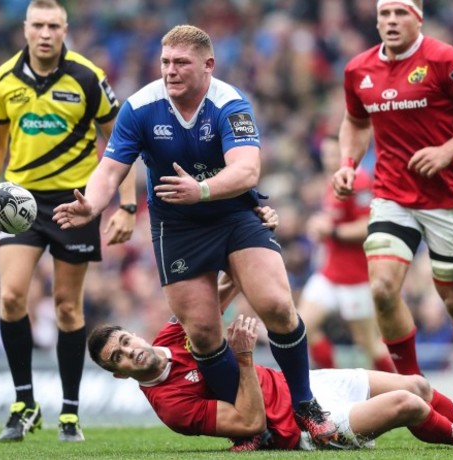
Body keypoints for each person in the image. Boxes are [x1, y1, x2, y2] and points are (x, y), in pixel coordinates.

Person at [52, 24, 336, 444]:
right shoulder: (140, 106)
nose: (170, 70)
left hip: (233, 216)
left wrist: (201, 189)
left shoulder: (230, 103)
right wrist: (92, 205)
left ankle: (305, 404)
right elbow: (111, 168)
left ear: (208, 66)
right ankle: (250, 427)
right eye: (165, 61)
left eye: (181, 62)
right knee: (202, 332)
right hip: (178, 227)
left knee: (277, 304)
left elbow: (247, 169)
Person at [0, 0, 137, 443]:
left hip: (74, 200)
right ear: (25, 29)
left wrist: (126, 204)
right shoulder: (5, 77)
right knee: (10, 297)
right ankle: (24, 402)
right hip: (18, 199)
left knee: (66, 306)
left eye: (53, 26)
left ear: (65, 29)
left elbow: (122, 140)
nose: (45, 33)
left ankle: (70, 411)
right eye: (38, 25)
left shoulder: (87, 76)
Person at [332, 0, 453, 418]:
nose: (391, 22)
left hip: (447, 200)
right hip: (392, 196)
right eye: (385, 14)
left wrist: (448, 150)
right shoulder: (358, 69)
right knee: (381, 289)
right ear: (376, 21)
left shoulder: (446, 59)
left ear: (419, 18)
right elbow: (355, 122)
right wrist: (347, 164)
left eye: (401, 13)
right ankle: (414, 393)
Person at [87, 314, 453, 451]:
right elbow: (248, 422)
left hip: (304, 387)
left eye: (125, 340)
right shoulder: (170, 405)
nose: (131, 351)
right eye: (119, 357)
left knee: (417, 384)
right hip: (300, 427)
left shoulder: (173, 335)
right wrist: (244, 357)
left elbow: (214, 288)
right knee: (407, 403)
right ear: (117, 372)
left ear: (133, 332)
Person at [298, 135, 395, 372]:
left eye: (334, 155)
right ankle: (332, 379)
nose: (330, 160)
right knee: (300, 328)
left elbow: (367, 225)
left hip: (355, 278)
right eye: (326, 156)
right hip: (330, 274)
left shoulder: (359, 181)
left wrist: (331, 230)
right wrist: (320, 227)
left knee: (368, 344)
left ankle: (406, 389)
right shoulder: (332, 182)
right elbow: (334, 223)